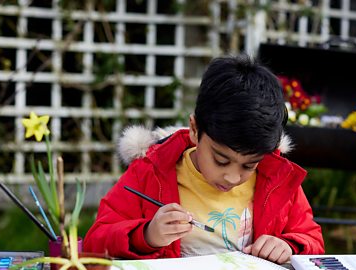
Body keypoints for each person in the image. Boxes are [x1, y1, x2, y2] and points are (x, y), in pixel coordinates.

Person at [83, 54, 324, 264]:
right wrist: (146, 235)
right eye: (220, 160)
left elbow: (312, 240)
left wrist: (289, 246)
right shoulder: (152, 170)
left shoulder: (276, 176)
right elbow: (96, 240)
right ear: (195, 130)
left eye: (249, 165)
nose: (232, 177)